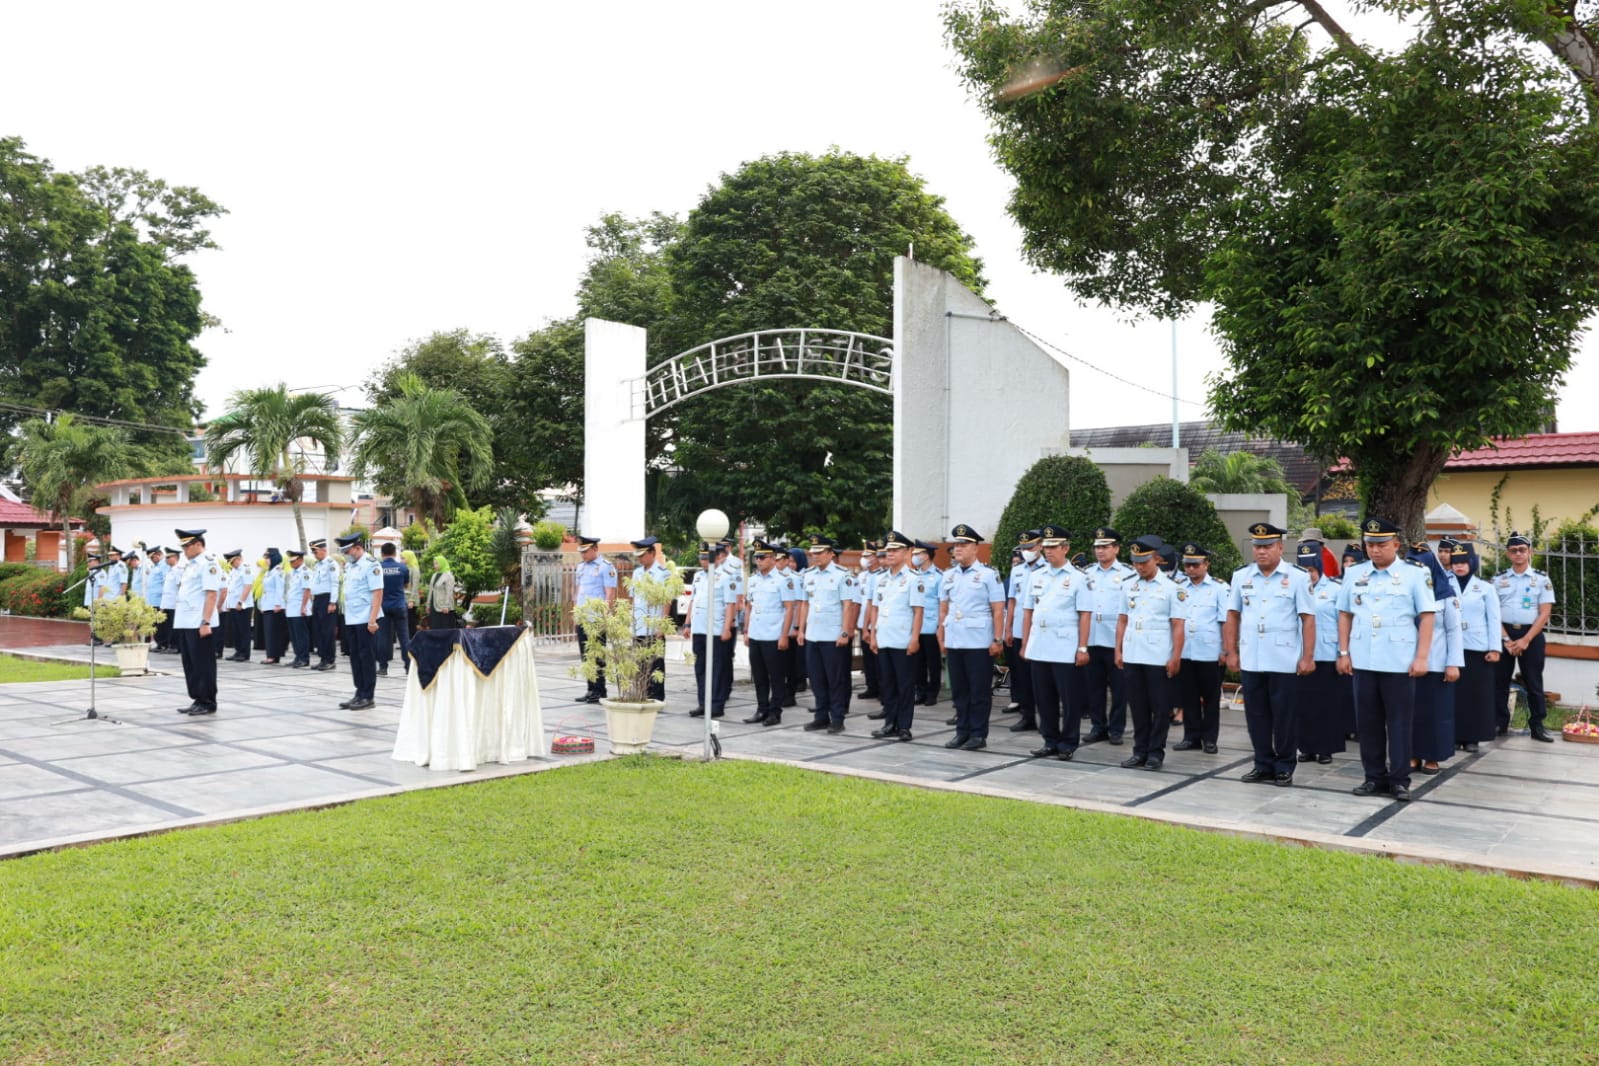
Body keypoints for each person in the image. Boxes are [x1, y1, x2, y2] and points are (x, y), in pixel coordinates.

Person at [1337, 516, 1437, 802]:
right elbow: (1344, 614)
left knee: (1399, 723)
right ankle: (1373, 777)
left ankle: (1399, 779)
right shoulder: (1354, 573)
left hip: (1399, 661)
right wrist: (1343, 653)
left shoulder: (1415, 573)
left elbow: (1427, 616)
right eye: (1370, 544)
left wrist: (1422, 657)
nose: (1375, 550)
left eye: (1381, 544)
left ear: (1395, 544)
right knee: (1367, 724)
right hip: (1363, 659)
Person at [1225, 522, 1315, 787]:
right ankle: (1262, 763)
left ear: (1279, 547)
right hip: (1253, 656)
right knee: (1256, 715)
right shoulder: (1242, 576)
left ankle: (1285, 765)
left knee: (1284, 715)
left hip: (1284, 658)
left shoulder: (1297, 577)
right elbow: (1232, 615)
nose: (1261, 551)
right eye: (1257, 546)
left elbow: (1308, 619)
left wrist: (1308, 656)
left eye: (1267, 546)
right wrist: (1231, 651)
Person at [1020, 524, 1090, 760]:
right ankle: (1049, 740)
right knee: (1044, 698)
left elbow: (1085, 615)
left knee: (1069, 699)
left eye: (1054, 546)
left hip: (1065, 647)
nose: (1048, 551)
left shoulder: (1079, 578)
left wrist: (1082, 647)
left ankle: (1068, 742)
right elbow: (1028, 611)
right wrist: (1025, 643)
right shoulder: (1036, 576)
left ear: (1066, 548)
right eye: (1046, 546)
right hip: (1040, 645)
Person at [1116, 535, 1185, 770]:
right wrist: (1119, 650)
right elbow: (1122, 620)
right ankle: (1139, 750)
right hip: (1133, 653)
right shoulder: (1128, 585)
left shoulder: (1172, 589)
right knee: (1137, 706)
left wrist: (1176, 656)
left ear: (1156, 559)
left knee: (1160, 707)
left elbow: (1178, 624)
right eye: (1135, 562)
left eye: (1143, 562)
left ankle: (1156, 752)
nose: (1139, 567)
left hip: (1158, 656)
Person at [938, 523, 1007, 750]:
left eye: (964, 544)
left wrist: (998, 639)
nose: (958, 548)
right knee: (959, 690)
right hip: (955, 639)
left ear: (975, 548)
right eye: (956, 544)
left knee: (978, 691)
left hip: (979, 640)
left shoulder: (988, 575)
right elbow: (943, 609)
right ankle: (962, 731)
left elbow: (998, 609)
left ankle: (978, 734)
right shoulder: (948, 576)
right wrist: (941, 634)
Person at [1493, 531, 1557, 742]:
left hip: (1532, 635)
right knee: (1499, 682)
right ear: (1508, 554)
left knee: (1534, 683)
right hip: (1504, 635)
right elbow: (1492, 613)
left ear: (1529, 551)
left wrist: (1526, 640)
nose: (1518, 554)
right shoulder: (1498, 579)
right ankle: (1499, 723)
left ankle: (1537, 726)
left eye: (1522, 550)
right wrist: (1506, 640)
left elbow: (1545, 613)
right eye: (1514, 550)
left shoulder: (1541, 579)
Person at [865, 531, 927, 742]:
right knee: (887, 685)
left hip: (903, 640)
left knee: (905, 685)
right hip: (884, 638)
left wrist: (914, 638)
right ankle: (889, 723)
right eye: (887, 550)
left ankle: (904, 726)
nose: (890, 554)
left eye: (895, 550)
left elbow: (918, 611)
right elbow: (874, 609)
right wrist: (873, 636)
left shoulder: (913, 579)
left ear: (908, 551)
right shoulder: (881, 580)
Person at [1409, 543, 1463, 775]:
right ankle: (1411, 753)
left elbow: (1454, 630)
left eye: (1422, 564)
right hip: (1405, 664)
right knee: (1409, 713)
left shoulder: (1446, 595)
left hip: (1437, 663)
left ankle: (1433, 757)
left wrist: (1453, 663)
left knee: (1436, 714)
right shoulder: (1402, 591)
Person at [1294, 540, 1349, 765]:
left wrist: (1342, 653)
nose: (1309, 575)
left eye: (1312, 570)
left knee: (1328, 704)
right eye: (1305, 570)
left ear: (1319, 567)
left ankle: (1326, 748)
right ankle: (1306, 746)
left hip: (1328, 653)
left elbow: (1343, 622)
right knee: (1305, 703)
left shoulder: (1335, 589)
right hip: (1303, 654)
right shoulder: (1295, 588)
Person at [797, 535, 857, 734]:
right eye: (813, 553)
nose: (816, 556)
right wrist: (801, 630)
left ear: (831, 553)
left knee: (835, 679)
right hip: (813, 634)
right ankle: (821, 716)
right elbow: (804, 604)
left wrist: (845, 632)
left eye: (820, 552)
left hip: (833, 636)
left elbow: (847, 605)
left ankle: (837, 718)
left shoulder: (842, 575)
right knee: (816, 679)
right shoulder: (809, 575)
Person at [1173, 544, 1228, 755]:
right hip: (1186, 650)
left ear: (1206, 564)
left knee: (1211, 698)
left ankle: (1210, 739)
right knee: (1189, 696)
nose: (1191, 569)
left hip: (1210, 652)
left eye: (1195, 564)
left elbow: (1226, 621)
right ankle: (1191, 736)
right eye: (1187, 564)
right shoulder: (1178, 586)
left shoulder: (1219, 588)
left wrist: (1226, 650)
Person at [1082, 527, 1135, 745]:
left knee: (1119, 689)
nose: (1100, 551)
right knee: (1094, 687)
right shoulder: (1086, 573)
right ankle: (1098, 726)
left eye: (1105, 547)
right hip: (1093, 638)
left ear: (1116, 548)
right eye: (1097, 547)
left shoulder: (1128, 574)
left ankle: (1116, 728)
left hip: (1115, 640)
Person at [1450, 542, 1501, 753]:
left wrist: (1495, 648)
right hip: (1452, 647)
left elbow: (1494, 618)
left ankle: (1472, 737)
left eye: (1463, 562)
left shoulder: (1486, 588)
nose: (1459, 567)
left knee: (1475, 695)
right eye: (1455, 563)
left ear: (1472, 563)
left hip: (1477, 648)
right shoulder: (1443, 584)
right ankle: (1453, 734)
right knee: (1454, 694)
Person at [682, 541, 742, 718]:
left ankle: (716, 704)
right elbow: (694, 601)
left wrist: (727, 628)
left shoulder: (726, 576)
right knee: (700, 667)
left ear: (717, 558)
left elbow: (730, 605)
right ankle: (703, 703)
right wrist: (687, 624)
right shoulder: (698, 576)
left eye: (706, 557)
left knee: (717, 668)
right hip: (699, 628)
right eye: (701, 557)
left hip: (716, 629)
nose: (703, 561)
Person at [743, 539, 798, 725]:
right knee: (758, 676)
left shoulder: (783, 580)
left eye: (762, 557)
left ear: (774, 559)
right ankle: (761, 709)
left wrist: (784, 635)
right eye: (756, 557)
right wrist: (746, 630)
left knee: (776, 676)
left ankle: (775, 712)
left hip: (774, 635)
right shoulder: (753, 580)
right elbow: (749, 606)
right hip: (756, 634)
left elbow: (789, 608)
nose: (758, 561)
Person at [172, 528, 222, 716]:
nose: (184, 550)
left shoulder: (208, 563)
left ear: (198, 544)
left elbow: (211, 594)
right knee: (190, 664)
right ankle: (197, 698)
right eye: (183, 547)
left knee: (203, 664)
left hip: (199, 622)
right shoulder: (191, 564)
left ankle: (208, 701)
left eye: (187, 546)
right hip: (186, 621)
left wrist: (205, 622)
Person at [336, 533, 385, 710]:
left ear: (357, 548)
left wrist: (372, 620)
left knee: (366, 657)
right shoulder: (350, 566)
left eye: (348, 551)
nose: (346, 555)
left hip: (366, 619)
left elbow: (377, 592)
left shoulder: (371, 565)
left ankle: (368, 696)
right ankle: (359, 692)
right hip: (351, 618)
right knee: (355, 657)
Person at [1002, 533, 1044, 731]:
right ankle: (1027, 716)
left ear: (1040, 546)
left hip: (1041, 632)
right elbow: (1012, 602)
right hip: (1019, 629)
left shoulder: (1048, 569)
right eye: (1024, 548)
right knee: (1022, 676)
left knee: (1042, 679)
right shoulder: (1017, 571)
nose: (1027, 551)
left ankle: (1046, 718)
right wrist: (1008, 628)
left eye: (1031, 547)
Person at [573, 535, 618, 703]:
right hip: (583, 618)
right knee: (585, 656)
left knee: (598, 655)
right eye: (581, 551)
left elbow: (610, 594)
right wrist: (576, 613)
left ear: (595, 549)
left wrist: (606, 617)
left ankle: (600, 690)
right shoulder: (581, 568)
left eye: (585, 551)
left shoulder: (606, 567)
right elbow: (579, 592)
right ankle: (590, 689)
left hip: (597, 619)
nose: (583, 554)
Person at [629, 537, 673, 704]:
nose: (640, 558)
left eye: (642, 555)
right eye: (638, 555)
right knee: (640, 664)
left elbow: (666, 601)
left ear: (652, 553)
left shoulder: (663, 574)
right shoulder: (636, 573)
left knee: (656, 664)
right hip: (639, 626)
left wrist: (662, 626)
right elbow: (634, 600)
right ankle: (643, 694)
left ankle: (656, 697)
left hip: (654, 627)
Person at [911, 541, 944, 706]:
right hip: (917, 627)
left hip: (932, 626)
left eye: (917, 554)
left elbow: (942, 604)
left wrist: (940, 626)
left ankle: (933, 692)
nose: (914, 557)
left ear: (926, 555)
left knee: (933, 663)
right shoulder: (913, 576)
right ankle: (920, 691)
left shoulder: (939, 577)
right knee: (918, 663)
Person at [375, 543, 411, 676]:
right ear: (395, 553)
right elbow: (406, 584)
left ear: (382, 554)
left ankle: (383, 667)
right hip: (399, 605)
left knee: (383, 637)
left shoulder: (378, 568)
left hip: (383, 606)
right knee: (404, 637)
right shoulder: (403, 568)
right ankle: (408, 666)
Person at [855, 540, 883, 702]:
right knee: (868, 658)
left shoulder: (881, 575)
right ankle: (871, 686)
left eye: (869, 555)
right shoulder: (862, 576)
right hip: (863, 622)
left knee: (879, 659)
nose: (865, 559)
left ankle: (881, 688)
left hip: (878, 623)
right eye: (864, 555)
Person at [780, 546, 808, 705]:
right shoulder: (782, 577)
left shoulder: (797, 578)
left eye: (792, 561)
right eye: (787, 561)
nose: (790, 564)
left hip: (794, 626)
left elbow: (799, 604)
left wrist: (797, 627)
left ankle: (792, 691)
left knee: (793, 661)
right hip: (783, 625)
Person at [308, 539, 339, 671]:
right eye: (313, 552)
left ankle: (329, 659)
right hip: (318, 600)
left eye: (316, 551)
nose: (314, 554)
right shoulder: (318, 565)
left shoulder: (331, 564)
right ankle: (322, 658)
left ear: (323, 550)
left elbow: (335, 583)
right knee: (319, 631)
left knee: (327, 631)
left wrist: (332, 602)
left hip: (327, 599)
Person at [221, 549, 253, 662]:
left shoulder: (245, 569)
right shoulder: (234, 570)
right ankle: (238, 651)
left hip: (243, 605)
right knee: (236, 630)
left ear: (238, 559)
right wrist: (230, 604)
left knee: (244, 630)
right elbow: (232, 588)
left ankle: (244, 653)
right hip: (234, 605)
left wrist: (241, 602)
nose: (231, 564)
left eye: (232, 562)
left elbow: (247, 586)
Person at [257, 548, 287, 663]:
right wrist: (262, 605)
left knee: (273, 632)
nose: (266, 561)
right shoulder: (269, 571)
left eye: (268, 558)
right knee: (269, 632)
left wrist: (278, 604)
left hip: (275, 606)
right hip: (268, 605)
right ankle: (272, 655)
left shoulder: (278, 571)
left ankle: (273, 656)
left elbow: (280, 589)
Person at [285, 549, 313, 668]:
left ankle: (304, 658)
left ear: (300, 560)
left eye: (293, 561)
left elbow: (307, 590)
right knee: (294, 635)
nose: (291, 563)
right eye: (290, 561)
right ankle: (297, 656)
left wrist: (303, 607)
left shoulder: (305, 572)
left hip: (300, 608)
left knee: (301, 635)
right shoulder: (293, 572)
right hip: (291, 608)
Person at [156, 547, 181, 652]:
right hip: (167, 603)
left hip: (175, 604)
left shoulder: (179, 570)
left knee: (174, 627)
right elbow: (166, 590)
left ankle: (175, 646)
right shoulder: (170, 571)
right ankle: (168, 645)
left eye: (168, 557)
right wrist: (162, 606)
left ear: (175, 557)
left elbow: (180, 587)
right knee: (166, 626)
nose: (166, 559)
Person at [428, 556, 459, 630]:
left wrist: (446, 605)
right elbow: (431, 590)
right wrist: (428, 605)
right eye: (434, 564)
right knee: (434, 626)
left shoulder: (448, 575)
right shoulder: (434, 575)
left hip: (444, 607)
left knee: (444, 627)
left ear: (442, 563)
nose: (435, 566)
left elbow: (449, 591)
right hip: (434, 605)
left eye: (436, 564)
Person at [402, 548, 423, 635]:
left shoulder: (415, 569)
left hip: (411, 600)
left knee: (411, 622)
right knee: (406, 622)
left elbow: (415, 586)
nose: (401, 560)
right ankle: (407, 641)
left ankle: (412, 642)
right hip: (405, 599)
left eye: (403, 558)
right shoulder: (406, 568)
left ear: (409, 558)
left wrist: (412, 600)